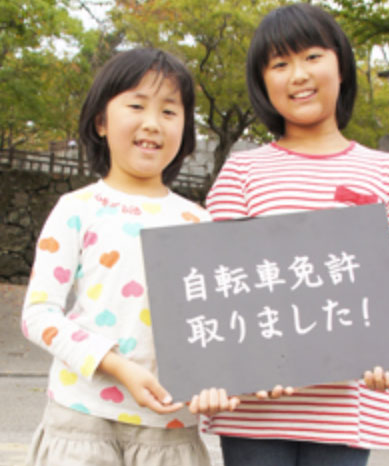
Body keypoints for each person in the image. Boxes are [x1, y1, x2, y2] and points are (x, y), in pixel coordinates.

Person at [201, 4, 389, 465]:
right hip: (254, 406)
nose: (297, 74)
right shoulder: (242, 170)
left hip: (346, 405)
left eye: (312, 57)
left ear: (341, 64)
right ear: (264, 84)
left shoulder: (387, 172)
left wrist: (385, 343)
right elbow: (217, 281)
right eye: (279, 64)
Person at [21, 47, 236, 466]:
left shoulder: (199, 221)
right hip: (81, 419)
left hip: (170, 430)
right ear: (101, 121)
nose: (152, 123)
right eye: (136, 105)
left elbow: (217, 328)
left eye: (170, 112)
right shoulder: (76, 208)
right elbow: (39, 315)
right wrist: (115, 364)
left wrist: (217, 381)